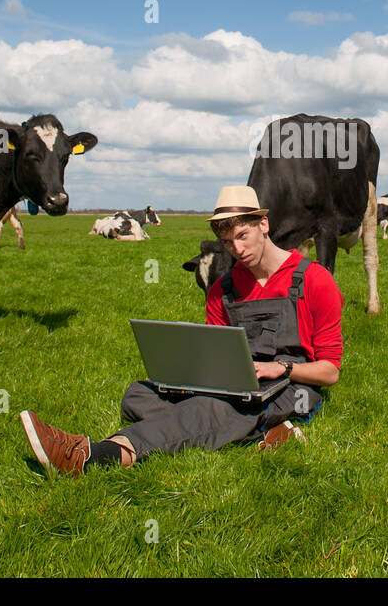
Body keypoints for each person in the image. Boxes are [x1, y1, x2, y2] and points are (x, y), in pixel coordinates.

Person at [20, 185, 344, 473]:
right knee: (138, 394)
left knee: (219, 407)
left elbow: (330, 373)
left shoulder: (314, 279)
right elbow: (216, 350)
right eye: (228, 243)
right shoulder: (223, 288)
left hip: (295, 385)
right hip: (241, 382)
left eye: (243, 236)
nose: (238, 250)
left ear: (264, 225)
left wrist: (280, 368)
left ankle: (100, 454)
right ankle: (267, 431)